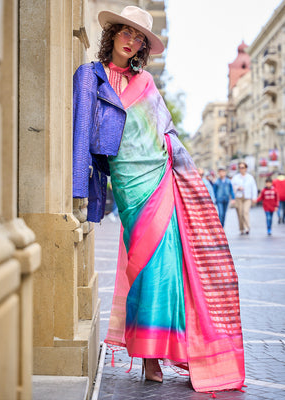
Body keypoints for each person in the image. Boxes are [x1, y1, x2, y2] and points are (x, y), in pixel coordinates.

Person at [72, 6, 245, 394]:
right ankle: (150, 349)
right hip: (129, 183)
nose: (131, 41)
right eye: (126, 33)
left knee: (164, 268)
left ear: (143, 48)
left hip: (161, 176)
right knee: (143, 264)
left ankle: (154, 355)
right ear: (113, 34)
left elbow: (165, 130)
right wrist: (80, 191)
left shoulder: (146, 82)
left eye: (139, 38)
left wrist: (189, 175)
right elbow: (81, 132)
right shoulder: (89, 76)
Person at [231, 162, 258, 235]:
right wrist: (237, 188)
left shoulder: (250, 177)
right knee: (240, 213)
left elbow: (254, 187)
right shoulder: (235, 177)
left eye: (242, 167)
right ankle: (241, 228)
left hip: (247, 197)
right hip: (238, 197)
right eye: (240, 167)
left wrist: (254, 197)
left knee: (245, 212)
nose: (241, 169)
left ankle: (247, 227)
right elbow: (231, 187)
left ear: (246, 168)